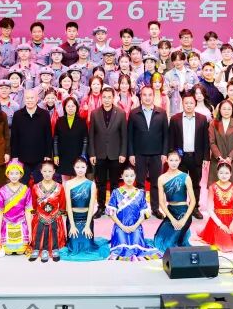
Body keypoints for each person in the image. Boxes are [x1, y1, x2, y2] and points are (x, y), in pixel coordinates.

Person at [128, 86, 170, 216]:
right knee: (140, 183)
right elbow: (130, 136)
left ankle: (155, 209)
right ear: (141, 96)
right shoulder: (134, 113)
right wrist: (131, 154)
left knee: (155, 183)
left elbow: (166, 135)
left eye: (150, 95)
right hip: (139, 153)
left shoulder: (161, 113)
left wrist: (164, 153)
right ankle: (141, 208)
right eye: (144, 95)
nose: (147, 97)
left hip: (157, 154)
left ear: (153, 96)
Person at [106, 165, 161, 261]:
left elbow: (144, 214)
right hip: (120, 226)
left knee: (137, 248)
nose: (129, 178)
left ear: (135, 176)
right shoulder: (116, 192)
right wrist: (122, 226)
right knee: (121, 248)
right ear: (122, 176)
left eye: (132, 176)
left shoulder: (140, 193)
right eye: (126, 176)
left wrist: (135, 226)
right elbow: (111, 213)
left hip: (136, 226)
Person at [59, 158, 110, 261]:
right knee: (74, 247)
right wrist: (72, 226)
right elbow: (68, 206)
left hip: (87, 218)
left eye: (82, 167)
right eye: (77, 167)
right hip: (73, 219)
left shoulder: (91, 184)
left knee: (87, 247)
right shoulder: (68, 184)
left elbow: (91, 206)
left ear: (86, 168)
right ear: (74, 168)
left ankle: (88, 232)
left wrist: (87, 226)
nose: (80, 170)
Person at [89, 87, 127, 218]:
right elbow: (91, 135)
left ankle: (114, 206)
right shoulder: (94, 113)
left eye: (109, 97)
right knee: (101, 183)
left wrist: (123, 153)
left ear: (113, 98)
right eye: (104, 97)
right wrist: (92, 153)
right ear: (101, 97)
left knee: (115, 183)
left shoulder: (121, 113)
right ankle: (101, 207)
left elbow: (124, 136)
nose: (106, 100)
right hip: (99, 154)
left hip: (115, 154)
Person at [169, 95, 209, 219]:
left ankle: (195, 207)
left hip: (196, 156)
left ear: (195, 103)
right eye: (186, 103)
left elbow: (206, 140)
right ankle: (179, 208)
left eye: (191, 103)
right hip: (180, 157)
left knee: (195, 184)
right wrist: (172, 156)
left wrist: (206, 157)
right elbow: (171, 139)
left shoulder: (202, 119)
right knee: (180, 184)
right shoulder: (175, 119)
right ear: (183, 104)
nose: (189, 105)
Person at [197, 161, 233, 252]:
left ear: (231, 174)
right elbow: (210, 209)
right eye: (221, 173)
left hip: (231, 219)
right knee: (224, 242)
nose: (224, 175)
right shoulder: (213, 187)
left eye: (226, 173)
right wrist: (220, 225)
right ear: (217, 173)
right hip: (217, 219)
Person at [153, 151, 196, 251]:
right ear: (167, 160)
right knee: (159, 241)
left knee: (172, 244)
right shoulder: (161, 178)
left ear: (180, 161)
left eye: (176, 160)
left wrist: (184, 219)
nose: (174, 163)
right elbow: (161, 203)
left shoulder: (186, 177)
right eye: (171, 160)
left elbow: (193, 201)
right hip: (170, 212)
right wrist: (172, 219)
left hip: (183, 212)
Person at [10, 89, 53, 184]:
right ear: (24, 100)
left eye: (32, 98)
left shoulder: (44, 114)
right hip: (22, 157)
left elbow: (48, 136)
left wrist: (48, 154)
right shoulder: (18, 115)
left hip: (40, 157)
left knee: (40, 185)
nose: (29, 100)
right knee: (22, 185)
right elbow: (14, 137)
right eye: (27, 98)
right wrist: (14, 156)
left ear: (37, 99)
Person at [29, 161, 68, 262]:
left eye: (50, 171)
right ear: (41, 171)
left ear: (54, 171)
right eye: (45, 171)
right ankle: (38, 248)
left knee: (54, 228)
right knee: (39, 228)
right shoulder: (35, 187)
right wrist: (36, 213)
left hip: (55, 215)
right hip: (40, 215)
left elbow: (62, 204)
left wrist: (58, 214)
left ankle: (55, 248)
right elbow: (34, 203)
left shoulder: (59, 187)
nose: (47, 174)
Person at [0, 159, 33, 255]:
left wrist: (30, 231)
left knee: (21, 251)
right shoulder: (2, 190)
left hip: (21, 224)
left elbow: (28, 211)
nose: (14, 176)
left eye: (17, 173)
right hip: (7, 224)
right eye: (11, 173)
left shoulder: (26, 190)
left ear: (21, 174)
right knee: (8, 251)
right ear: (7, 174)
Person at [209, 99, 233, 188]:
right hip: (217, 159)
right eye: (224, 109)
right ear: (219, 110)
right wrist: (219, 157)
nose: (226, 111)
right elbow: (211, 142)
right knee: (217, 188)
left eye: (229, 109)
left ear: (232, 110)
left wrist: (230, 157)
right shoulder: (213, 123)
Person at [54, 97, 88, 179]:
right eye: (68, 106)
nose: (70, 108)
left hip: (77, 156)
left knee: (76, 180)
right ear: (64, 108)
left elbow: (85, 140)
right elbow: (55, 140)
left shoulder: (82, 122)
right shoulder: (60, 121)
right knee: (65, 181)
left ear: (76, 107)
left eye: (73, 106)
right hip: (63, 156)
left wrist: (83, 155)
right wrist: (56, 155)